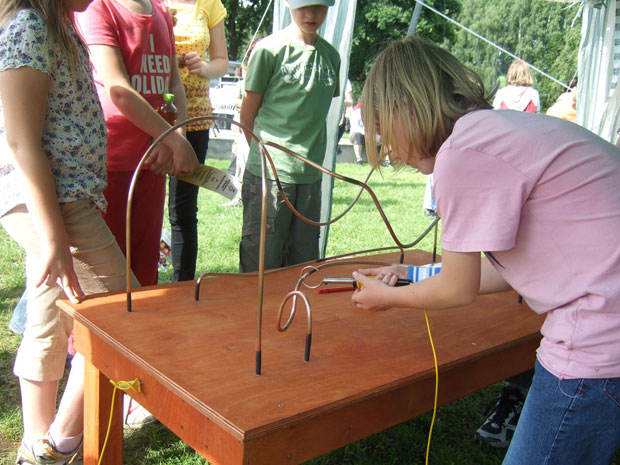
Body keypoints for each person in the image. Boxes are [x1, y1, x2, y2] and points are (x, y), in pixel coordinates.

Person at [353, 35, 620, 465]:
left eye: (385, 129)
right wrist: (415, 275)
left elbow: (460, 289)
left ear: (407, 105)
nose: (390, 151)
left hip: (598, 335)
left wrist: (386, 297)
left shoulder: (462, 154)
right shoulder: (495, 131)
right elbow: (495, 269)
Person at [0, 1, 140, 462]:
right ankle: (59, 444)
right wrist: (55, 236)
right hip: (53, 202)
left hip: (66, 200)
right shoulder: (29, 26)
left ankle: (35, 445)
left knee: (48, 317)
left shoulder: (60, 25)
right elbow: (21, 139)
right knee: (130, 314)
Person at [76, 0, 198, 289]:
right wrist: (174, 143)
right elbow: (118, 90)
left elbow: (174, 85)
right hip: (111, 164)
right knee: (106, 278)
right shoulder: (98, 7)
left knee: (145, 272)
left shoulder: (161, 10)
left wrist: (176, 137)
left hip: (154, 162)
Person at [238, 0, 340, 272]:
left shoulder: (331, 56)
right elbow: (247, 116)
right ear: (287, 4)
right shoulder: (268, 51)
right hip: (269, 174)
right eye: (303, 5)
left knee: (304, 263)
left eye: (319, 6)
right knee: (262, 261)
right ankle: (255, 315)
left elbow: (317, 113)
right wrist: (262, 163)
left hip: (310, 175)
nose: (311, 14)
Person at [166, 0, 229, 281]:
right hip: (151, 111)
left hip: (196, 118)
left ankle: (183, 285)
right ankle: (136, 283)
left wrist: (203, 67)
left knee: (183, 208)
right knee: (141, 202)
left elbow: (222, 62)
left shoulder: (210, 4)